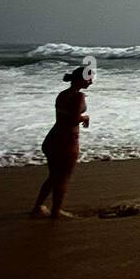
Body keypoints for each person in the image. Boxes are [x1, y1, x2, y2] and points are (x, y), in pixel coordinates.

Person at [32, 66, 92, 219]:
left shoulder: (63, 94)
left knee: (53, 177)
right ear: (80, 79)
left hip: (53, 139)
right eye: (89, 78)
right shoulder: (78, 96)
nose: (91, 81)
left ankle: (38, 207)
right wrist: (85, 117)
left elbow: (64, 116)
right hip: (66, 142)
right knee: (63, 178)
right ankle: (56, 212)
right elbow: (72, 119)